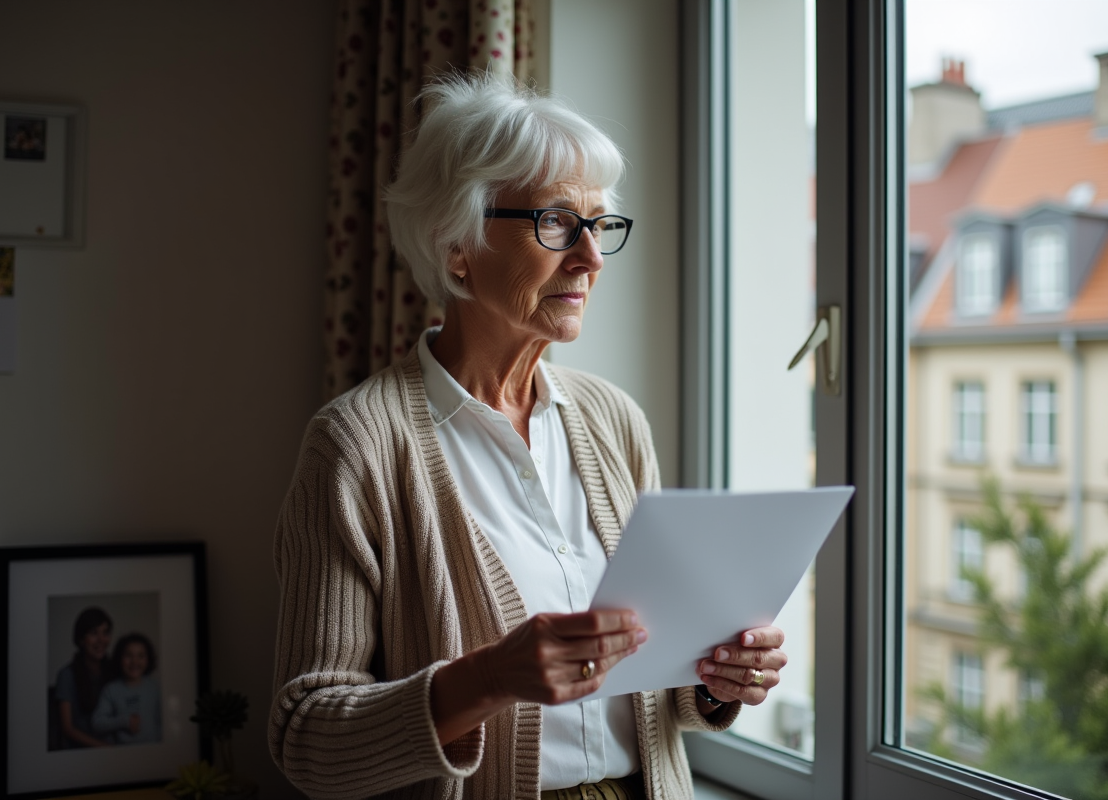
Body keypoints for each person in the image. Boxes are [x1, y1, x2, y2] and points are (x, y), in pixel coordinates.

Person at [269, 72, 789, 800]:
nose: (591, 258)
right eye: (556, 223)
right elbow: (307, 740)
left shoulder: (615, 420)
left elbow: (654, 684)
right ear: (457, 245)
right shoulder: (356, 445)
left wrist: (713, 678)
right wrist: (488, 678)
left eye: (600, 225)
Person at [54, 606, 114, 749]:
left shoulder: (114, 670)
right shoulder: (67, 675)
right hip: (80, 753)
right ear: (81, 639)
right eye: (94, 633)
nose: (101, 639)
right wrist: (105, 747)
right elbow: (68, 728)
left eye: (105, 633)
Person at [92, 632, 162, 745]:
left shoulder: (154, 687)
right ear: (119, 658)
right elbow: (97, 723)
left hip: (153, 750)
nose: (134, 661)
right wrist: (125, 721)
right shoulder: (111, 690)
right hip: (122, 752)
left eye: (141, 656)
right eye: (129, 656)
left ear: (148, 659)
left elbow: (162, 723)